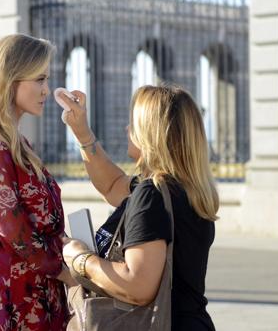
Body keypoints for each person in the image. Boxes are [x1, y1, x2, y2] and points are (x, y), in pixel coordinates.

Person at [60, 84, 218, 330]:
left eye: (133, 123)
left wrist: (80, 259)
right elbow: (112, 185)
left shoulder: (153, 194)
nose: (127, 129)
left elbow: (138, 287)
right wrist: (82, 132)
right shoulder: (183, 188)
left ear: (149, 134)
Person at [0, 34, 76, 331]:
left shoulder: (17, 144)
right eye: (39, 79)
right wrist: (67, 272)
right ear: (10, 79)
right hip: (15, 294)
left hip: (40, 288)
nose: (47, 89)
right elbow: (13, 230)